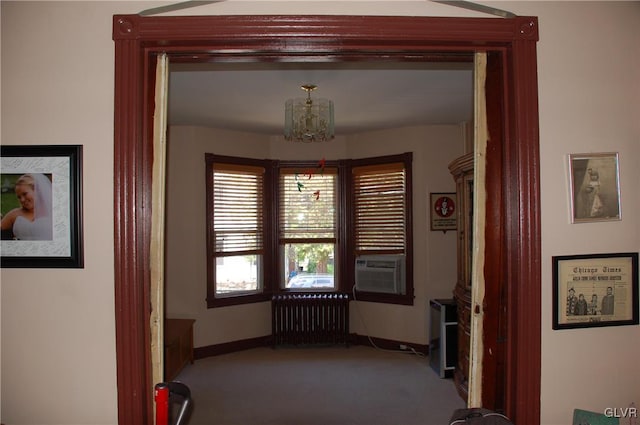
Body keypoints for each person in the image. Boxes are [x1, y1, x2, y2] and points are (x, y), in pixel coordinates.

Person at [0, 173, 53, 240]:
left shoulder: (52, 211)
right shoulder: (14, 214)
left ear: (37, 191)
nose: (22, 199)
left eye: (25, 194)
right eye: (19, 197)